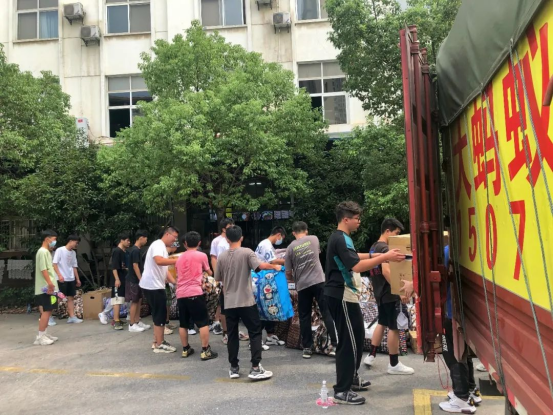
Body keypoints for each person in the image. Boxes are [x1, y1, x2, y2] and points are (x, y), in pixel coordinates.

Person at [325, 202, 405, 405]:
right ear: (346, 219)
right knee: (348, 342)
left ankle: (351, 379)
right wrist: (385, 256)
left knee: (358, 336)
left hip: (347, 295)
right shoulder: (340, 238)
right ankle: (342, 390)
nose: (359, 222)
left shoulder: (343, 238)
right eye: (356, 218)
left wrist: (373, 255)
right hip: (341, 295)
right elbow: (357, 266)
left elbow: (353, 257)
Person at [215, 225, 281, 380]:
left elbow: (218, 278)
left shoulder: (222, 257)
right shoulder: (247, 252)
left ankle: (234, 368)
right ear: (241, 238)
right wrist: (275, 266)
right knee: (255, 332)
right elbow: (260, 266)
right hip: (246, 300)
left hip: (229, 301)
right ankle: (255, 367)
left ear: (227, 239)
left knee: (232, 334)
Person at [363, 218, 415, 375]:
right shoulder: (385, 248)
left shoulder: (374, 247)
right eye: (396, 233)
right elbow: (386, 271)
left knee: (382, 322)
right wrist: (400, 291)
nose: (397, 237)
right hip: (390, 293)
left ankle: (371, 355)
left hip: (380, 293)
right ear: (387, 231)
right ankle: (394, 363)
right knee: (394, 327)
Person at [285, 221, 337, 359]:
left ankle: (307, 348)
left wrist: (294, 278)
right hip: (319, 281)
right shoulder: (314, 239)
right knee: (326, 312)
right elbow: (316, 255)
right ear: (306, 231)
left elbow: (288, 272)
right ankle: (335, 345)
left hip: (302, 285)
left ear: (293, 233)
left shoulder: (290, 248)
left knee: (304, 316)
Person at [440, 237, 480, 413]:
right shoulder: (466, 249)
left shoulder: (448, 251)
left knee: (452, 353)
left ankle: (461, 397)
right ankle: (470, 390)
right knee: (463, 353)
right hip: (464, 311)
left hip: (451, 311)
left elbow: (438, 280)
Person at [175, 231, 218, 360]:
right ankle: (205, 350)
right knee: (203, 322)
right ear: (199, 243)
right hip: (195, 292)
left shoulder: (179, 258)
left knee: (183, 323)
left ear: (185, 243)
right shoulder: (201, 255)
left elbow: (177, 274)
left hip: (181, 293)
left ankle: (185, 349)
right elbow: (209, 272)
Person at [140, 226, 179, 353]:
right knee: (159, 315)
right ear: (167, 234)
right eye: (174, 237)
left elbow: (165, 270)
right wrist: (177, 260)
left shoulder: (162, 247)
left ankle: (156, 341)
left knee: (159, 314)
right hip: (153, 286)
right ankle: (159, 344)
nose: (175, 240)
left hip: (155, 285)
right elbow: (159, 261)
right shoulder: (158, 244)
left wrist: (175, 283)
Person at [210, 218, 249, 345]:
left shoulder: (233, 240)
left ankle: (233, 331)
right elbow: (215, 259)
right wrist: (218, 276)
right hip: (225, 278)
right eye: (229, 225)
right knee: (225, 307)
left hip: (235, 277)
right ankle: (226, 333)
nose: (232, 227)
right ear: (223, 229)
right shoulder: (218, 242)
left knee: (233, 306)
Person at [255, 226, 287, 347]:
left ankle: (270, 335)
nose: (281, 240)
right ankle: (256, 340)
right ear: (278, 235)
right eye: (282, 238)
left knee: (270, 307)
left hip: (267, 280)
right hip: (262, 280)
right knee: (263, 309)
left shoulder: (267, 244)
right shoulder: (266, 245)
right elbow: (273, 261)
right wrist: (288, 260)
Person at [34, 230, 60, 346]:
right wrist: (49, 283)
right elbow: (43, 269)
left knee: (49, 310)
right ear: (47, 239)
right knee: (46, 311)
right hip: (45, 288)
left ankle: (44, 333)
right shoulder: (42, 252)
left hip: (50, 287)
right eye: (54, 239)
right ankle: (40, 337)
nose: (55, 242)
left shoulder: (47, 252)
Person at [52, 234, 83, 324]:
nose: (77, 245)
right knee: (58, 298)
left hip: (71, 278)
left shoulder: (73, 253)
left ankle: (72, 317)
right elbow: (54, 264)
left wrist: (77, 279)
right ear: (71, 241)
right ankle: (48, 316)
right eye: (76, 243)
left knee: (71, 298)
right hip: (61, 278)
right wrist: (59, 275)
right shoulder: (60, 250)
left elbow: (74, 266)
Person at [126, 230, 150, 333]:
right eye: (146, 239)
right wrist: (141, 279)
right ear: (141, 238)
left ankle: (137, 321)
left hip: (136, 280)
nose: (146, 241)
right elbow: (135, 265)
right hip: (134, 280)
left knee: (139, 300)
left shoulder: (136, 250)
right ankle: (132, 324)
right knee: (134, 301)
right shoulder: (135, 250)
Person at [109, 233, 131, 331]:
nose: (129, 242)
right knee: (117, 299)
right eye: (127, 240)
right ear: (121, 240)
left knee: (121, 299)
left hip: (124, 277)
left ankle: (117, 319)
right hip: (117, 279)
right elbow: (114, 267)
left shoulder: (125, 252)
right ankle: (116, 321)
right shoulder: (116, 251)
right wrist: (117, 279)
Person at [164, 241, 180, 335]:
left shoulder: (168, 254)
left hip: (168, 282)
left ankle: (166, 322)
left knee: (168, 303)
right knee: (163, 304)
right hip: (163, 282)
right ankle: (162, 326)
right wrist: (174, 281)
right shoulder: (163, 254)